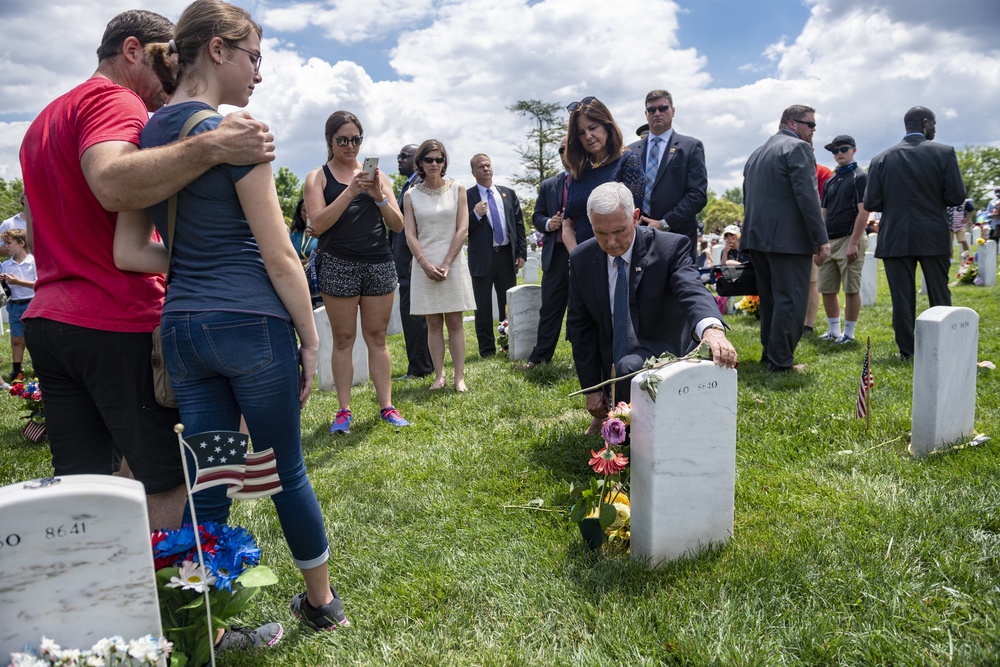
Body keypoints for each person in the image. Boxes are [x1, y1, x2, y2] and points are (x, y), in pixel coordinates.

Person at [114, 0, 348, 636]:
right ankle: (322, 604)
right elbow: (279, 255)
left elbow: (129, 250)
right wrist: (308, 339)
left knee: (210, 473)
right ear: (218, 50)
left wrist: (192, 257)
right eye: (255, 57)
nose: (259, 74)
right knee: (287, 470)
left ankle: (208, 619)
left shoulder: (148, 137)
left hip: (184, 329)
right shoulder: (239, 131)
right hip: (252, 325)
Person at [18, 8, 273, 533]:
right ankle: (184, 612)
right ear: (132, 51)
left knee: (87, 485)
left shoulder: (44, 120)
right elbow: (112, 183)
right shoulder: (114, 100)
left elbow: (41, 227)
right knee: (170, 479)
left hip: (51, 320)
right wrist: (213, 144)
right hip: (117, 319)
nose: (169, 88)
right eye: (165, 67)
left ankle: (107, 605)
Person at [568, 182, 738, 433]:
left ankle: (627, 435)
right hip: (611, 352)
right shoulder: (582, 258)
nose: (611, 242)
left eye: (618, 230)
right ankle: (613, 410)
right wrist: (593, 389)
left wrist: (712, 329)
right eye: (600, 233)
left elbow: (692, 289)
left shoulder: (670, 248)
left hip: (658, 344)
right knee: (623, 365)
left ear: (635, 217)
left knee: (629, 368)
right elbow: (580, 326)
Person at [304, 111, 409, 433]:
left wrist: (378, 197)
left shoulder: (380, 178)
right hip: (338, 263)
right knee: (344, 338)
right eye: (343, 140)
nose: (350, 146)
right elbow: (316, 225)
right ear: (330, 141)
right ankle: (343, 410)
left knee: (377, 337)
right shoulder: (318, 178)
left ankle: (387, 406)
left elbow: (398, 224)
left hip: (378, 263)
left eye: (356, 140)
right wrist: (350, 191)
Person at [864, 106, 966, 359]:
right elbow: (956, 196)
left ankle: (907, 350)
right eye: (933, 124)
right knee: (939, 293)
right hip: (932, 232)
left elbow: (872, 203)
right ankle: (944, 346)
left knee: (902, 297)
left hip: (895, 234)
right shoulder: (944, 153)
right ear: (924, 123)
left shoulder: (880, 159)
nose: (935, 129)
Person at [741, 104, 830, 372]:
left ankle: (771, 354)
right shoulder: (798, 148)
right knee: (791, 299)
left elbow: (748, 197)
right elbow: (808, 196)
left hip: (758, 238)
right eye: (810, 125)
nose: (813, 130)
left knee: (770, 300)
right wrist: (820, 238)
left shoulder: (757, 154)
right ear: (792, 123)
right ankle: (781, 362)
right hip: (788, 240)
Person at [403, 140, 476, 391]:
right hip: (424, 261)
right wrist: (423, 263)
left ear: (444, 162)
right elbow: (410, 234)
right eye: (429, 159)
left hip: (452, 261)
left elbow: (463, 228)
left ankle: (459, 377)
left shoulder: (458, 189)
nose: (435, 164)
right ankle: (439, 375)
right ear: (420, 163)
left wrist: (446, 262)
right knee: (433, 323)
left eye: (439, 159)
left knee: (455, 321)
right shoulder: (411, 195)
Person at [628, 89, 708, 259]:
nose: (657, 113)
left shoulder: (690, 147)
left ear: (673, 111)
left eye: (663, 108)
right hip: (637, 237)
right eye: (652, 110)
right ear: (646, 114)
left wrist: (663, 223)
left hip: (677, 237)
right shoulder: (631, 151)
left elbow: (697, 195)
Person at [561, 97, 644, 253]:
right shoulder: (579, 171)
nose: (588, 136)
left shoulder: (628, 162)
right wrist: (577, 256)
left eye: (593, 128)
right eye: (581, 133)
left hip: (617, 257)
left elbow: (632, 221)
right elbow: (567, 226)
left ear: (607, 125)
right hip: (582, 262)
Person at [466, 153, 526, 358]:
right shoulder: (467, 196)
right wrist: (474, 214)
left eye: (488, 165)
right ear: (473, 172)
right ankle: (486, 349)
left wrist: (521, 253)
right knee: (482, 306)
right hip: (482, 258)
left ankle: (507, 344)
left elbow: (518, 226)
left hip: (506, 257)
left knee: (507, 304)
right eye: (480, 166)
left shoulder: (507, 194)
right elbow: (461, 228)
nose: (485, 169)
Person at [817, 135, 869, 345]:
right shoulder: (830, 181)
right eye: (834, 150)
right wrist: (820, 241)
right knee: (827, 288)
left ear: (854, 150)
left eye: (843, 149)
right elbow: (823, 213)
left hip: (850, 237)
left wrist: (854, 242)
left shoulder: (860, 177)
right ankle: (833, 330)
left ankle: (849, 333)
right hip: (830, 240)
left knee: (850, 288)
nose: (839, 153)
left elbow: (863, 212)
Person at [525, 136, 572, 369]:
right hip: (556, 254)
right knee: (550, 308)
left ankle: (584, 357)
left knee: (583, 309)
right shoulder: (549, 185)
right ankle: (540, 357)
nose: (564, 154)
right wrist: (548, 224)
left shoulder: (591, 179)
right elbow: (537, 216)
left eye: (568, 148)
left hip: (583, 253)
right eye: (560, 150)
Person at [389, 144, 433, 379]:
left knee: (414, 317)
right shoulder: (408, 185)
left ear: (417, 160)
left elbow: (419, 228)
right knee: (413, 316)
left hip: (412, 262)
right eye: (398, 156)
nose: (399, 160)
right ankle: (424, 364)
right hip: (406, 262)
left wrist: (416, 259)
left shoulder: (418, 187)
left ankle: (420, 368)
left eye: (403, 156)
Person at [0, 228, 36, 386]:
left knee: (34, 340)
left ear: (21, 243)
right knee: (16, 339)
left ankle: (39, 370)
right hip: (14, 305)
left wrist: (18, 282)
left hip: (32, 304)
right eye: (4, 243)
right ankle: (17, 371)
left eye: (9, 243)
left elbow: (38, 284)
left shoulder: (33, 262)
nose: (5, 247)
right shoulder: (6, 265)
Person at [0, 193, 29, 257]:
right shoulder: (9, 223)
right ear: (23, 200)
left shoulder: (47, 223)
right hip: (17, 266)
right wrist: (16, 248)